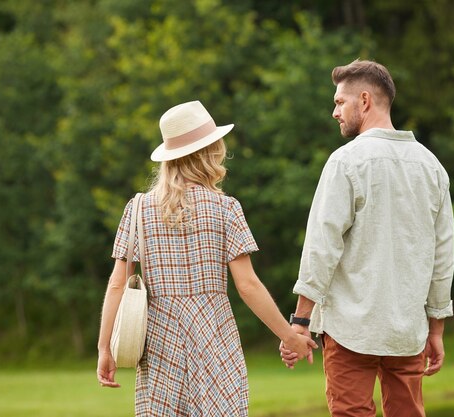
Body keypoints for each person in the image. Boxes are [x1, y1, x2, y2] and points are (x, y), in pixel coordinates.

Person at [97, 100, 318, 416]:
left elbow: (118, 285)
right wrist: (289, 336)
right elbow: (248, 286)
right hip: (214, 338)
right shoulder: (226, 208)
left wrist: (105, 348)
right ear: (209, 152)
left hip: (160, 346)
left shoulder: (138, 210)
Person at [280, 60, 454, 417]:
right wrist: (435, 329)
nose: (334, 112)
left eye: (339, 102)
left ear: (364, 101)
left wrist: (299, 322)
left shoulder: (346, 162)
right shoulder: (432, 167)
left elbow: (321, 247)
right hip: (407, 330)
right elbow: (442, 257)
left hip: (349, 329)